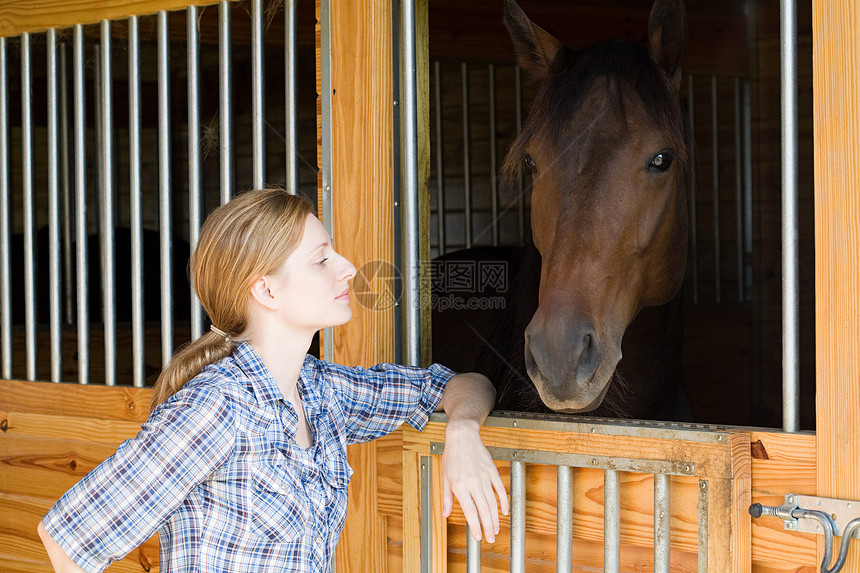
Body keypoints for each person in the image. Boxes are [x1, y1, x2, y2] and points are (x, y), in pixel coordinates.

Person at [37, 188, 508, 572]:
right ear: (265, 289)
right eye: (322, 259)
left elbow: (463, 384)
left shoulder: (322, 390)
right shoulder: (216, 407)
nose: (348, 268)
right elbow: (66, 539)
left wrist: (462, 429)